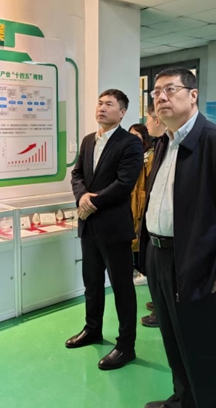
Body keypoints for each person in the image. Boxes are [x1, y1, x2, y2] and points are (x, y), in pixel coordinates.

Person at [139, 67, 216, 408]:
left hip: (197, 262)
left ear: (193, 95)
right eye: (156, 92)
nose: (161, 97)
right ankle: (184, 400)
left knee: (204, 348)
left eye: (170, 89)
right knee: (174, 340)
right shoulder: (165, 141)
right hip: (160, 257)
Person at [68, 89, 143, 370]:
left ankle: (126, 345)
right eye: (99, 103)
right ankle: (92, 329)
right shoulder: (89, 140)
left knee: (122, 287)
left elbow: (124, 183)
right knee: (92, 282)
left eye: (109, 104)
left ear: (122, 112)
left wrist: (91, 203)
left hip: (114, 227)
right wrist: (81, 197)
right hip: (88, 225)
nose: (101, 108)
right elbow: (77, 174)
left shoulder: (130, 143)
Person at [140, 102, 166, 328]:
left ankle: (162, 310)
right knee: (155, 274)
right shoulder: (161, 146)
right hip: (153, 228)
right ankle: (159, 304)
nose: (146, 124)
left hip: (170, 234)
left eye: (148, 119)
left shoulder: (168, 146)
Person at [129, 123, 154, 287]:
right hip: (130, 201)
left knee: (140, 236)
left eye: (137, 135)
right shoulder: (129, 154)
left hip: (142, 202)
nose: (133, 138)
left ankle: (142, 270)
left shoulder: (150, 155)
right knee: (132, 236)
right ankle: (136, 268)